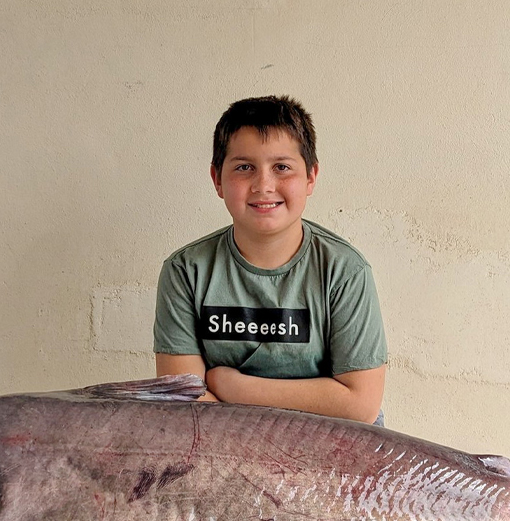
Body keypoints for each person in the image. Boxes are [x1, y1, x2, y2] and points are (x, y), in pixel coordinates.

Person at [153, 95, 387, 425]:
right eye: (244, 167)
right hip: (223, 446)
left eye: (282, 167)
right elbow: (184, 404)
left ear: (311, 177)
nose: (264, 185)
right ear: (217, 179)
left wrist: (231, 385)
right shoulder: (185, 271)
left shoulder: (345, 270)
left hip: (334, 448)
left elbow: (360, 405)